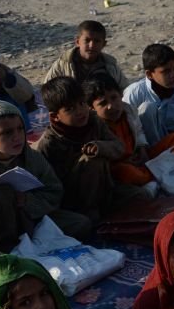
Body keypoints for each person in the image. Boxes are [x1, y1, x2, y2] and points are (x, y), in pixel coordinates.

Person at [0, 102, 91, 249]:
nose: (17, 137)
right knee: (1, 191)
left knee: (81, 224)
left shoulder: (33, 159)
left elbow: (54, 191)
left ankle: (30, 244)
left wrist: (27, 200)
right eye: (7, 133)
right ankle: (6, 251)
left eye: (20, 129)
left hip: (32, 218)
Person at [34, 77, 145, 225]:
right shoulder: (49, 144)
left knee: (142, 196)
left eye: (81, 104)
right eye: (70, 109)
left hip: (106, 190)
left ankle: (102, 210)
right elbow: (50, 185)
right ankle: (92, 213)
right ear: (55, 117)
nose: (80, 111)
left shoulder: (94, 121)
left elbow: (118, 147)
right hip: (76, 201)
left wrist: (100, 147)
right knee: (91, 160)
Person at [84, 73, 174, 193]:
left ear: (121, 95)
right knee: (126, 172)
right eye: (103, 103)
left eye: (114, 98)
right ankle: (154, 177)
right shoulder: (95, 125)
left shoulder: (128, 110)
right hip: (120, 165)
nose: (111, 106)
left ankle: (155, 173)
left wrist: (142, 150)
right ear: (91, 108)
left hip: (138, 157)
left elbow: (138, 131)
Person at [43, 20, 128, 88]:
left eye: (97, 41)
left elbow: (123, 90)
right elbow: (48, 90)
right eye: (87, 40)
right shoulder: (63, 63)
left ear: (104, 44)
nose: (92, 45)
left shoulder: (110, 66)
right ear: (77, 42)